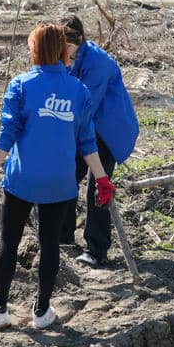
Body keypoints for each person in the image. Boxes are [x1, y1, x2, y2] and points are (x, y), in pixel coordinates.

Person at [0, 24, 115, 329]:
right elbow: (87, 142)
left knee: (9, 242)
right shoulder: (78, 91)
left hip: (23, 180)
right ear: (64, 51)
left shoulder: (21, 85)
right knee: (50, 243)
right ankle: (42, 311)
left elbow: (6, 136)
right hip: (60, 183)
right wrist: (102, 179)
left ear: (36, 49)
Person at [57, 16, 139, 268]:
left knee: (98, 188)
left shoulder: (98, 63)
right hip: (85, 126)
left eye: (66, 48)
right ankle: (63, 235)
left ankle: (97, 249)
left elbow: (85, 106)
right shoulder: (67, 56)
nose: (63, 54)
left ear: (78, 41)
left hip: (108, 130)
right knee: (67, 176)